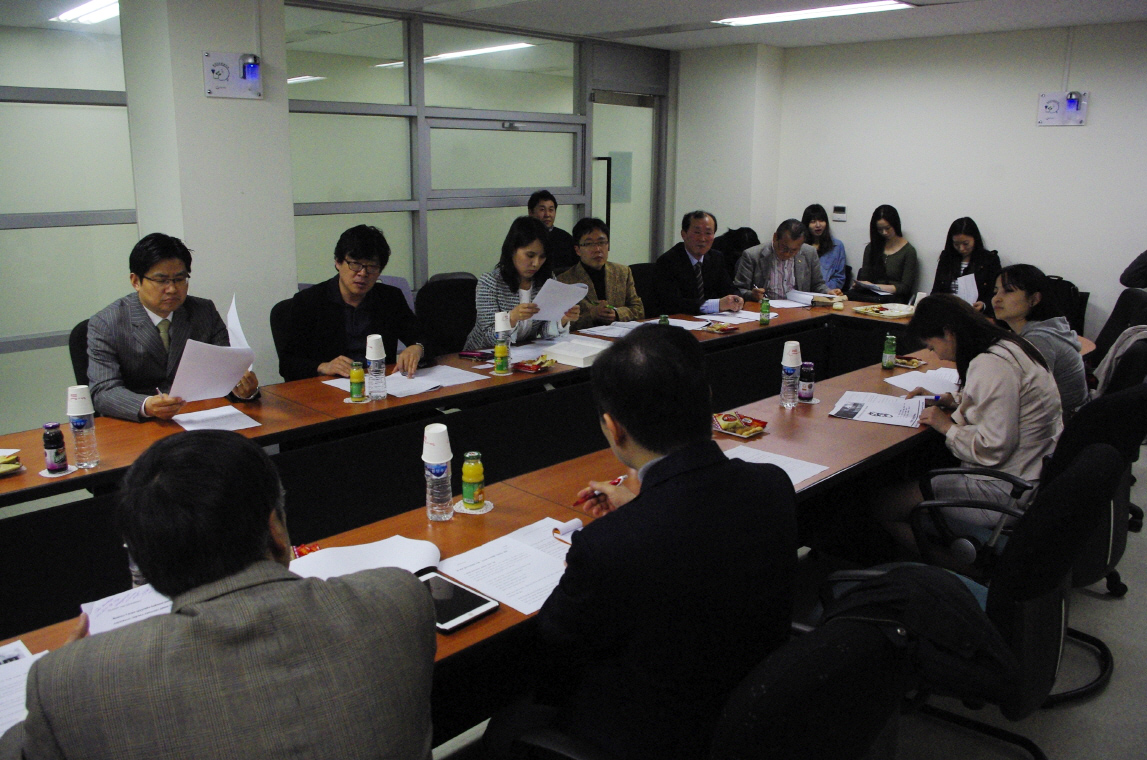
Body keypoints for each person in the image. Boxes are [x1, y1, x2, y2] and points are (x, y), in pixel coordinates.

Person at [0, 430, 436, 760]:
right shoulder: (400, 598)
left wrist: (69, 677)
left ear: (147, 565)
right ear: (275, 529)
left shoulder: (70, 683)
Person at [512, 325, 798, 760]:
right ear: (707, 402)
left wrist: (630, 523)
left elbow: (553, 649)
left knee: (507, 727)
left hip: (655, 735)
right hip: (750, 710)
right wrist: (642, 506)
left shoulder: (608, 546)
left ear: (614, 428)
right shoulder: (773, 484)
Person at [876, 294, 1062, 556]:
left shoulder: (991, 364)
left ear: (948, 333)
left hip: (1003, 488)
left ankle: (952, 572)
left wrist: (946, 426)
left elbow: (993, 448)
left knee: (885, 506)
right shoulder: (1008, 344)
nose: (934, 353)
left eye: (931, 345)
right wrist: (950, 400)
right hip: (1030, 476)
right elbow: (999, 403)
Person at [87, 232, 259, 422]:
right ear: (136, 281)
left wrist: (243, 390)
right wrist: (146, 406)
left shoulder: (204, 311)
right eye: (162, 281)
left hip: (200, 416)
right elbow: (103, 391)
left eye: (179, 279)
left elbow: (225, 371)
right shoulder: (107, 323)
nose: (172, 289)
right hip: (140, 424)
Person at [278, 224, 426, 382]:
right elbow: (288, 363)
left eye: (372, 267)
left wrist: (418, 347)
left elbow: (424, 336)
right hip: (331, 388)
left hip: (380, 385)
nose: (363, 273)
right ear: (338, 262)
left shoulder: (389, 298)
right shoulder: (309, 301)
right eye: (355, 264)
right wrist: (323, 366)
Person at [463, 216, 580, 350]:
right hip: (481, 355)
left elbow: (544, 331)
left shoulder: (547, 280)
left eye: (542, 257)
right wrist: (511, 318)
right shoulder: (490, 282)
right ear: (512, 249)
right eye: (530, 255)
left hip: (523, 353)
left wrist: (563, 319)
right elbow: (488, 337)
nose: (536, 263)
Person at [992, 264, 1089, 418]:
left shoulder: (1039, 340)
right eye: (995, 291)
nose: (996, 299)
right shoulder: (1043, 328)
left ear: (1034, 299)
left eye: (1008, 291)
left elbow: (1025, 399)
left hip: (1062, 421)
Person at [557, 217, 644, 330]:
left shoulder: (622, 272)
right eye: (589, 244)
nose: (597, 249)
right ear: (577, 250)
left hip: (617, 335)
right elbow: (559, 323)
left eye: (602, 242)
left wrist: (617, 314)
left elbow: (639, 310)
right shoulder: (564, 280)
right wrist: (591, 315)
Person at [654, 210, 744, 316]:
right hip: (681, 321)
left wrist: (737, 299)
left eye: (708, 233)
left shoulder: (716, 258)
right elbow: (673, 304)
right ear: (683, 234)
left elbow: (729, 288)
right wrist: (716, 305)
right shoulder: (668, 261)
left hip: (713, 321)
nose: (702, 239)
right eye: (697, 232)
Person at [734, 218, 844, 301]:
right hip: (766, 309)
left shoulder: (809, 253)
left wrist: (828, 292)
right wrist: (752, 295)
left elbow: (817, 284)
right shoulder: (752, 255)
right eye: (784, 248)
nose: (787, 254)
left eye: (794, 250)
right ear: (775, 237)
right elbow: (738, 290)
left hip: (799, 310)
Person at [929, 217, 1001, 314]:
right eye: (956, 244)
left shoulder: (989, 260)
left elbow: (995, 293)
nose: (961, 248)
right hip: (948, 311)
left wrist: (984, 305)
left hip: (975, 314)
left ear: (975, 239)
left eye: (966, 244)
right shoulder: (947, 258)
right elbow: (936, 290)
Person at [856, 204, 918, 303]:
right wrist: (861, 284)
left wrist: (877, 287)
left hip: (894, 300)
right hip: (869, 297)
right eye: (880, 229)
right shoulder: (871, 248)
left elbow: (905, 287)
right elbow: (864, 277)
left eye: (888, 228)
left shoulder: (908, 251)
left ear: (895, 225)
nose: (884, 232)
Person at [528, 189, 578, 271]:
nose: (547, 215)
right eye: (542, 210)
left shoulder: (565, 238)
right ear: (530, 212)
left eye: (551, 210)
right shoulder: (523, 237)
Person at [802, 203, 847, 290]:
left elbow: (839, 278)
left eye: (821, 220)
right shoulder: (799, 246)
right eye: (813, 221)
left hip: (827, 292)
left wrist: (824, 290)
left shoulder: (837, 246)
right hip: (803, 292)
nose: (818, 225)